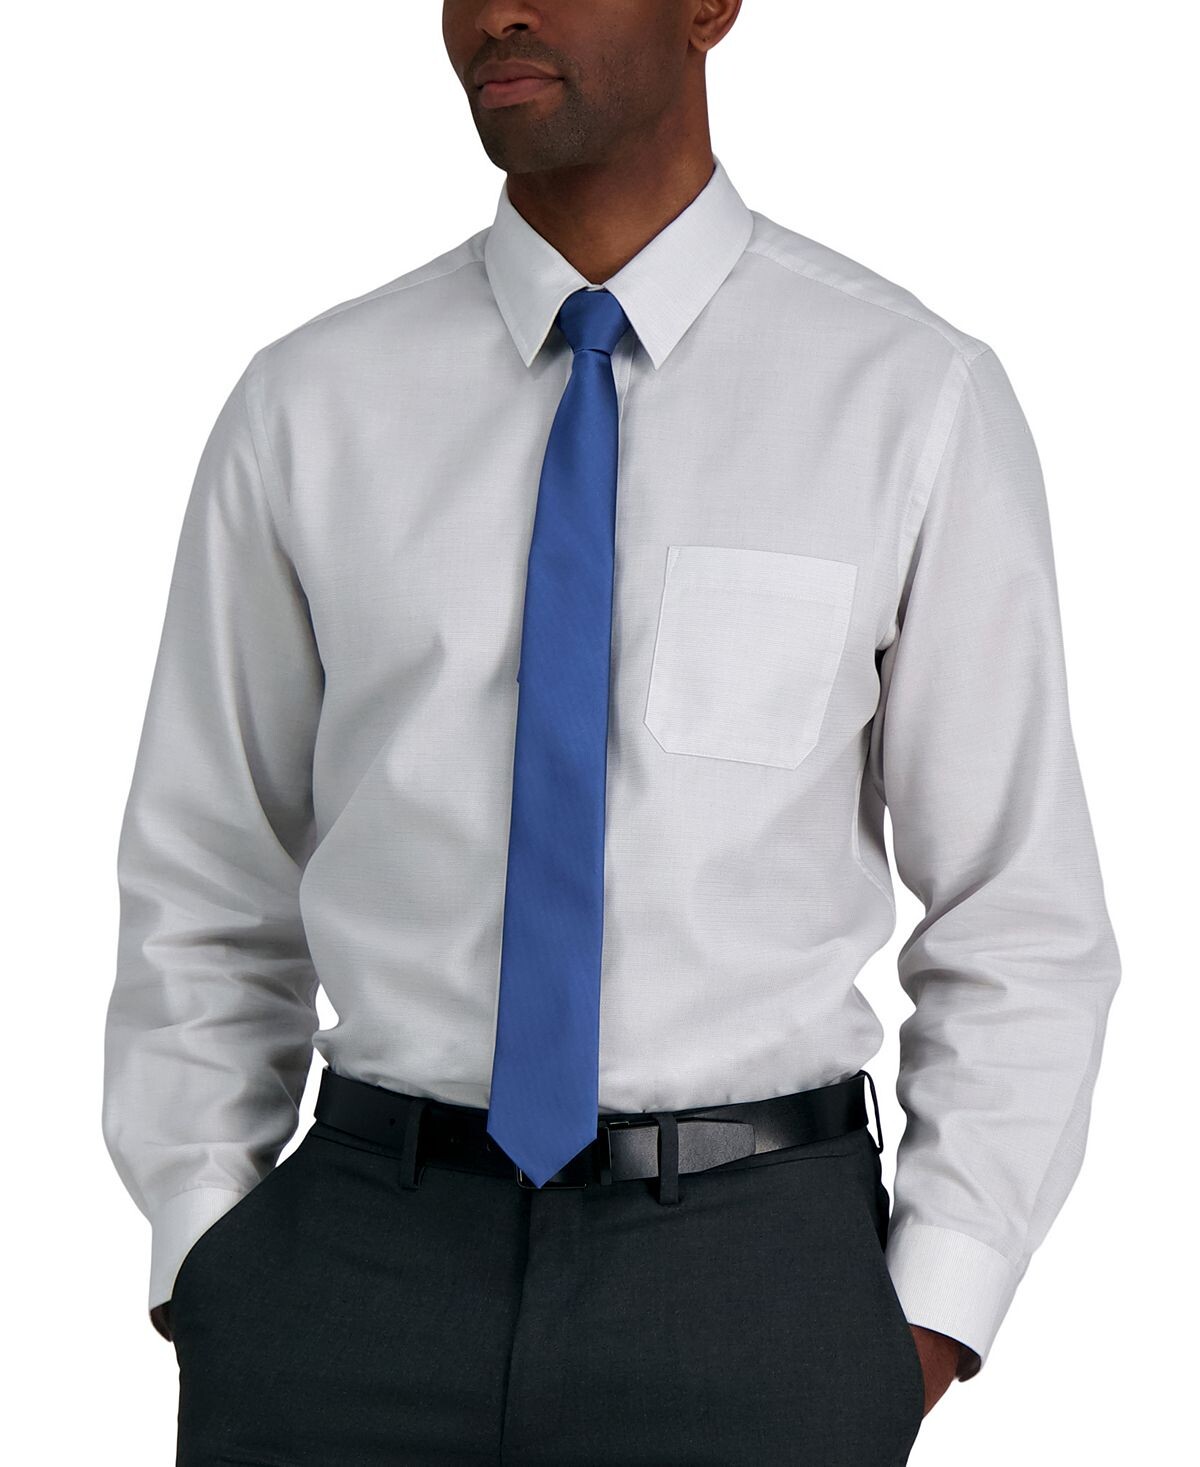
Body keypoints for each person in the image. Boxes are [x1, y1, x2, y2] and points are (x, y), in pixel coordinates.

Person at [101, 2, 1121, 1463]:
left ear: (711, 6)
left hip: (753, 1284)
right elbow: (207, 868)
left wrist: (926, 1318)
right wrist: (209, 1246)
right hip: (349, 1281)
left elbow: (1018, 908)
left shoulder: (909, 398)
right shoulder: (310, 405)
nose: (495, 12)